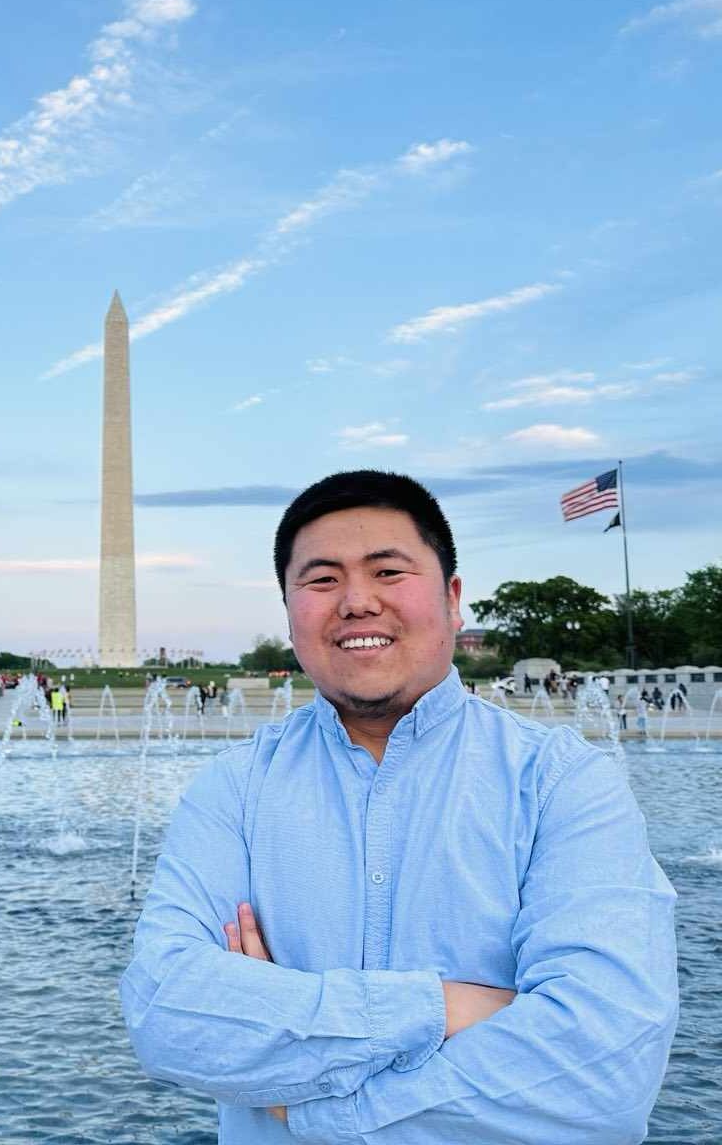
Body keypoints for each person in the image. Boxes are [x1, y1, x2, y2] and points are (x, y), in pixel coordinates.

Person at [121, 470, 677, 1143]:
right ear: (289, 611)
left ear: (451, 598)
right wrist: (440, 1007)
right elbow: (165, 1016)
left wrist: (302, 1093)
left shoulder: (561, 782)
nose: (357, 601)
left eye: (388, 571)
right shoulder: (232, 790)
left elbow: (601, 1078)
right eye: (322, 579)